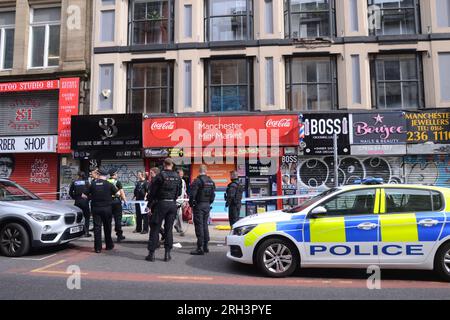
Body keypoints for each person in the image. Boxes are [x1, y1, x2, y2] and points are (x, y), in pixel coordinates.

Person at [145, 159, 181, 262]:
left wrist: (149, 205)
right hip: (172, 204)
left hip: (161, 204)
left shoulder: (160, 176)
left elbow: (152, 193)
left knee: (155, 228)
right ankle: (167, 254)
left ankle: (151, 254)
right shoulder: (177, 177)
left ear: (164, 165)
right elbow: (178, 193)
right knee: (169, 229)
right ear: (172, 165)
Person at [87, 168, 119, 253]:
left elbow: (84, 195)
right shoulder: (109, 184)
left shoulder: (92, 184)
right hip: (107, 208)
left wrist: (92, 197)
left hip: (96, 208)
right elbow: (118, 194)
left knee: (97, 228)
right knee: (107, 227)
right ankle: (109, 245)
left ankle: (98, 248)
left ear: (98, 174)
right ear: (106, 176)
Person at [189, 165, 216, 255]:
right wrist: (209, 203)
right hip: (207, 205)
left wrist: (191, 204)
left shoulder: (197, 181)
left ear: (199, 171)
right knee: (205, 225)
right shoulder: (211, 181)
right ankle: (205, 246)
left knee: (199, 226)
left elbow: (192, 195)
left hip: (199, 205)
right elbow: (213, 195)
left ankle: (199, 248)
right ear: (206, 171)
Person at [69, 172, 91, 237]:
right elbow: (91, 192)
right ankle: (86, 232)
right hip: (85, 202)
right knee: (87, 217)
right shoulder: (87, 183)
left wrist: (75, 197)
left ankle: (76, 232)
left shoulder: (74, 182)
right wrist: (88, 198)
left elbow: (70, 192)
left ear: (78, 175)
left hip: (77, 202)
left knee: (78, 217)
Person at [107, 169, 127, 243]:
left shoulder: (106, 182)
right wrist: (125, 201)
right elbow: (121, 192)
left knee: (108, 220)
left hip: (108, 202)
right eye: (116, 174)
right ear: (114, 175)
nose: (117, 175)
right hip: (116, 202)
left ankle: (108, 236)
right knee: (118, 219)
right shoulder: (117, 182)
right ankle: (119, 236)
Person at [174, 168, 188, 236]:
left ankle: (176, 225)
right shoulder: (175, 180)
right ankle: (181, 229)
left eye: (182, 175)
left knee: (179, 214)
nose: (181, 176)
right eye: (180, 175)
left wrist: (186, 199)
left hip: (182, 200)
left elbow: (185, 190)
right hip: (176, 200)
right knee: (179, 214)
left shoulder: (183, 181)